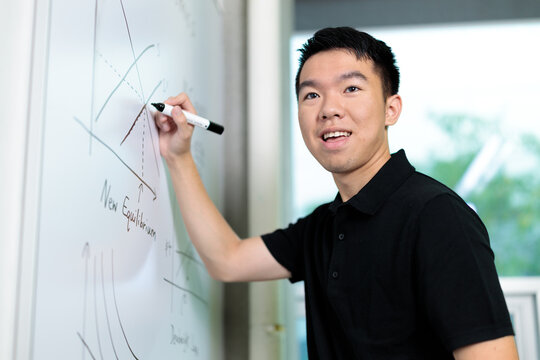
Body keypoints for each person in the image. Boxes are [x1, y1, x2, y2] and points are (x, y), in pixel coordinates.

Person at [154, 27, 518, 359]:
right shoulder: (324, 226)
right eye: (311, 94)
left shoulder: (437, 216)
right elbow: (227, 259)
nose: (329, 109)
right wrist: (179, 156)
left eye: (351, 89)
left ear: (391, 109)